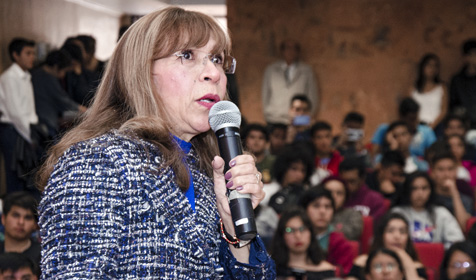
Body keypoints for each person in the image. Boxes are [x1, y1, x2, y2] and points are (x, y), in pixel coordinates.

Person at [36, 7, 275, 278]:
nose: (214, 73)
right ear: (141, 72)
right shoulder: (96, 164)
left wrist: (235, 233)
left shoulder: (210, 170)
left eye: (218, 59)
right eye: (187, 55)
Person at [0, 38, 38, 193]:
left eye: (33, 53)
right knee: (15, 176)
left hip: (26, 130)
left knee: (28, 176)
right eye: (27, 53)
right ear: (15, 55)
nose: (32, 57)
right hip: (14, 131)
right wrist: (31, 137)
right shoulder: (9, 77)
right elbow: (16, 113)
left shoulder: (26, 75)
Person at [392, 171, 465, 248]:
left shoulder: (441, 213)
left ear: (431, 190)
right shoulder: (397, 213)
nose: (420, 193)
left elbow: (457, 241)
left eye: (424, 188)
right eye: (414, 188)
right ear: (407, 191)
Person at [346, 213, 427, 280]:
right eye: (390, 231)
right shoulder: (362, 262)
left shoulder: (415, 266)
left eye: (402, 232)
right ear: (381, 235)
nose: (397, 236)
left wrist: (403, 257)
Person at [300, 186, 356, 276]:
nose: (322, 211)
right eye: (316, 206)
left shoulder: (341, 243)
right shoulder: (294, 237)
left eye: (327, 207)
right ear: (305, 209)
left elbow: (344, 273)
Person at [31, 49, 87, 139]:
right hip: (47, 122)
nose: (63, 75)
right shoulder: (47, 78)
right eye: (64, 71)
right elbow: (62, 100)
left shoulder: (36, 73)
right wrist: (82, 109)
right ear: (56, 67)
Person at [262, 39, 318, 125]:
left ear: (298, 51)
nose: (290, 51)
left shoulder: (306, 71)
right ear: (282, 51)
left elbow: (312, 96)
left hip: (298, 119)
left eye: (294, 48)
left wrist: (307, 117)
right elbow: (265, 94)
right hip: (274, 118)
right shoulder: (271, 70)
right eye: (287, 48)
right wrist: (268, 112)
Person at [270, 208, 337, 279]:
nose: (298, 236)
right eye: (290, 230)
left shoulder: (326, 270)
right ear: (281, 235)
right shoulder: (269, 269)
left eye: (303, 229)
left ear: (311, 232)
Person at [371, 97, 436, 158]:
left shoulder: (426, 132)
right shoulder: (385, 130)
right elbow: (374, 156)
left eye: (416, 118)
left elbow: (432, 156)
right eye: (411, 119)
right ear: (401, 117)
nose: (415, 123)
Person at [264, 143, 315, 212]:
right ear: (283, 169)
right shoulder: (266, 192)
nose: (299, 175)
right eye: (294, 169)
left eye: (303, 170)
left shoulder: (308, 196)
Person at [429, 151, 473, 230]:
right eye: (441, 169)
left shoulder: (466, 200)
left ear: (456, 171)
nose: (446, 174)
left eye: (450, 169)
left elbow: (464, 227)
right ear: (432, 173)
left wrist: (454, 193)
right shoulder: (427, 198)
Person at [0, 192, 40, 270]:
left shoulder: (43, 256)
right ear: (3, 219)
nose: (21, 222)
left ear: (35, 225)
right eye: (15, 215)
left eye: (27, 217)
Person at [410, 53, 448, 131]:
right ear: (422, 67)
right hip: (417, 127)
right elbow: (410, 109)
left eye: (435, 66)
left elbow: (444, 110)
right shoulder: (413, 89)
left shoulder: (442, 88)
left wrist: (432, 126)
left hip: (437, 126)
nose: (432, 69)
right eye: (429, 65)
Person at [322, 175, 363, 241]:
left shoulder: (352, 214)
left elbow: (353, 233)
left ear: (345, 197)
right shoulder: (312, 211)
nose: (334, 197)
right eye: (329, 192)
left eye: (339, 193)